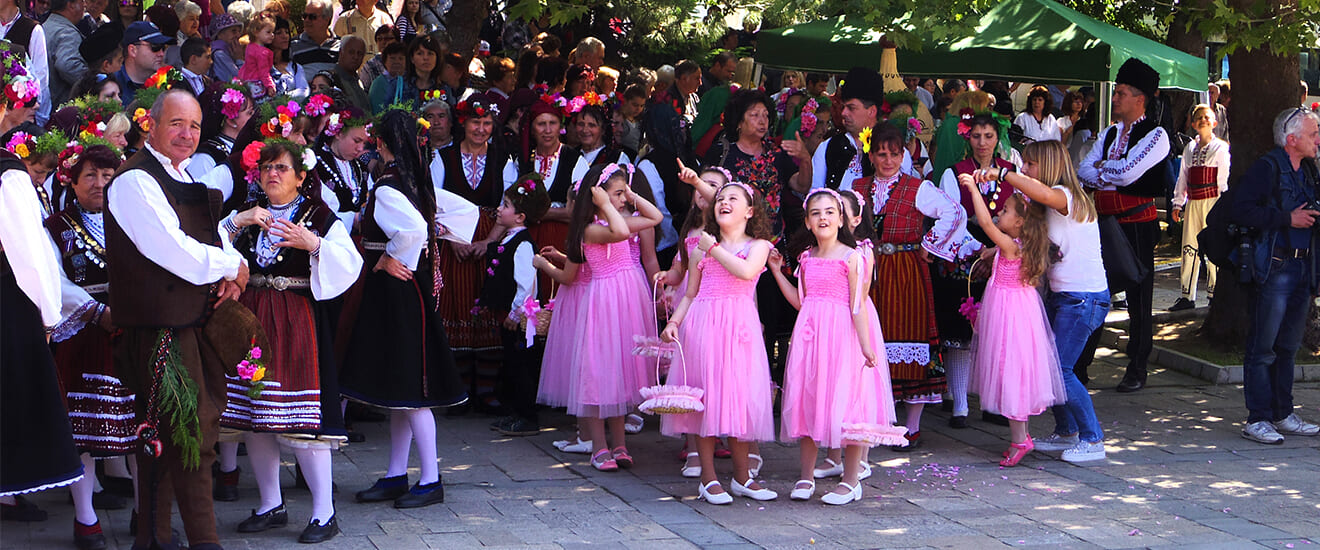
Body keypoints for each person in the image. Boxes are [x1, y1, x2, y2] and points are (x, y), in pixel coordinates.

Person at [104, 87, 250, 550]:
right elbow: (173, 252)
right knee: (192, 437)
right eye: (176, 124)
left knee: (172, 441)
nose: (187, 135)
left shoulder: (184, 177)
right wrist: (230, 266)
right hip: (159, 331)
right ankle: (204, 543)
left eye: (194, 126)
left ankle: (152, 541)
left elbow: (215, 239)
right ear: (151, 125)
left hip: (192, 323)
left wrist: (234, 271)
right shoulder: (134, 181)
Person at [219, 139, 361, 543]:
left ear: (301, 175)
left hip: (295, 318)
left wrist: (313, 244)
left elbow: (350, 262)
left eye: (281, 167)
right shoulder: (250, 214)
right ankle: (270, 504)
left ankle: (323, 512)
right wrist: (238, 221)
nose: (272, 174)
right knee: (255, 417)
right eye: (265, 167)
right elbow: (210, 246)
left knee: (301, 420)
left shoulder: (317, 213)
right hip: (250, 317)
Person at [341, 110, 466, 509]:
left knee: (412, 390)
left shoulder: (389, 186)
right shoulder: (414, 182)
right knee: (400, 390)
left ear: (381, 144)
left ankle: (431, 479)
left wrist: (391, 259)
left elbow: (411, 231)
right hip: (401, 291)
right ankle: (397, 473)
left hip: (397, 291)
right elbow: (444, 221)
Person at [977, 140, 1110, 463]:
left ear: (1048, 166)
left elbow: (1044, 194)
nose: (1025, 170)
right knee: (1048, 366)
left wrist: (1003, 173)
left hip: (1083, 299)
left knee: (1060, 369)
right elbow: (1030, 240)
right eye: (1023, 166)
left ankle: (1093, 438)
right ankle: (1066, 431)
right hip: (1065, 296)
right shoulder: (1047, 206)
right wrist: (997, 251)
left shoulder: (1065, 196)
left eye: (1030, 165)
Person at [769, 188, 904, 505]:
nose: (823, 217)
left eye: (830, 211)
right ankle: (806, 475)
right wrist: (776, 271)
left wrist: (866, 346)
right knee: (809, 398)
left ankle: (851, 480)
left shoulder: (852, 256)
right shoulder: (807, 258)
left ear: (841, 218)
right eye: (816, 213)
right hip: (811, 336)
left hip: (843, 336)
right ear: (808, 221)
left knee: (850, 403)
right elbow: (801, 301)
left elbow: (857, 305)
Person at [852, 123, 980, 450]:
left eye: (894, 153)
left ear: (904, 154)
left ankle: (911, 426)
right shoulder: (857, 186)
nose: (888, 160)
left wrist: (930, 244)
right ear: (871, 153)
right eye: (881, 153)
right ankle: (879, 419)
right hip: (868, 273)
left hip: (906, 273)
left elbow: (953, 212)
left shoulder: (916, 187)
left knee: (909, 342)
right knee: (869, 343)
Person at [660, 181, 777, 504]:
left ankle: (742, 477)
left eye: (733, 199)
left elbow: (746, 271)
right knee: (706, 400)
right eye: (720, 198)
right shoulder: (700, 246)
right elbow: (692, 293)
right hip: (704, 324)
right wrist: (673, 322)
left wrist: (713, 249)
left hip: (739, 326)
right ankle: (709, 479)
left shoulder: (759, 246)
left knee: (739, 399)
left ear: (749, 211)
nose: (724, 202)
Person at [45, 142, 137, 550]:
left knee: (138, 425)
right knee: (81, 429)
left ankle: (145, 512)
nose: (100, 183)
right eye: (90, 176)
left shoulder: (133, 218)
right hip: (82, 332)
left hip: (133, 328)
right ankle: (86, 520)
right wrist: (95, 311)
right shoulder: (56, 227)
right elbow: (53, 280)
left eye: (107, 175)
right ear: (73, 181)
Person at [549, 164, 661, 470]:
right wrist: (602, 203)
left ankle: (620, 444)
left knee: (620, 372)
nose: (623, 200)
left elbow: (656, 217)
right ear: (597, 196)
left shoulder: (623, 216)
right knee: (600, 373)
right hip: (603, 302)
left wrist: (633, 195)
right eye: (618, 194)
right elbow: (621, 232)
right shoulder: (590, 229)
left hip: (627, 300)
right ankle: (599, 447)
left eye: (624, 193)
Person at [1077, 58, 1171, 393]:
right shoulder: (1111, 132)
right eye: (1116, 92)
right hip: (1103, 223)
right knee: (1093, 290)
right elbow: (1083, 169)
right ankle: (1081, 363)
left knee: (1138, 296)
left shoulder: (1157, 135)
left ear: (1139, 98)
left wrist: (1106, 170)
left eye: (1121, 93)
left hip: (1137, 226)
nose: (1114, 98)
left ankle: (1138, 365)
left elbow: (1130, 172)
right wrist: (1108, 169)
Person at [958, 178, 1066, 467]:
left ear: (1019, 222)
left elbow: (985, 224)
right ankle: (1021, 435)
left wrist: (972, 189)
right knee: (1012, 370)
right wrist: (993, 252)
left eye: (1005, 210)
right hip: (1018, 309)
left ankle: (1021, 439)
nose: (999, 214)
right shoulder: (1020, 245)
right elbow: (1004, 244)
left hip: (1009, 314)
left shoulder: (1009, 245)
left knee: (1009, 370)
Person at [1228, 107, 1320, 445]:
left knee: (1289, 345)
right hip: (1276, 265)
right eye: (1313, 134)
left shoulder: (1309, 170)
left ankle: (1283, 413)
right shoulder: (1267, 168)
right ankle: (1258, 418)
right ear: (1292, 139)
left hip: (1301, 265)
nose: (1318, 140)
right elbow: (1241, 210)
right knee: (1263, 346)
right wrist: (1286, 219)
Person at [931, 111, 1016, 428]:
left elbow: (1020, 217)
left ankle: (993, 402)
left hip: (1002, 257)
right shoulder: (955, 173)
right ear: (967, 137)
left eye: (989, 136)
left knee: (994, 332)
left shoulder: (1010, 172)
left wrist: (993, 255)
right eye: (977, 136)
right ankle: (961, 406)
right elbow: (950, 221)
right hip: (963, 255)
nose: (982, 142)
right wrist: (977, 253)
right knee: (960, 332)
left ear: (998, 138)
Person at [480, 174, 550, 436]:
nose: (499, 209)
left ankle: (528, 416)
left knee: (522, 366)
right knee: (511, 363)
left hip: (522, 320)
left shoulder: (522, 245)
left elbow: (526, 283)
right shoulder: (509, 239)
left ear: (520, 217)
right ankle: (515, 412)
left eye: (506, 205)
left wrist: (515, 312)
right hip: (509, 318)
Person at [1168, 105, 1229, 312]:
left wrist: (1223, 206)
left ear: (1214, 123)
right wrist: (1178, 203)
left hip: (1212, 201)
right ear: (1193, 124)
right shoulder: (1189, 149)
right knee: (1190, 247)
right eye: (1199, 118)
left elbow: (1223, 179)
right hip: (1193, 202)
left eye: (1207, 117)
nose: (1203, 120)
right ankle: (1187, 295)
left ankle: (1215, 293)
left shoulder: (1220, 148)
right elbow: (1182, 177)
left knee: (1214, 246)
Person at [810, 67, 882, 192]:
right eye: (844, 107)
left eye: (851, 108)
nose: (843, 113)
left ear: (872, 111)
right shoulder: (827, 147)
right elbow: (815, 194)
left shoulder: (893, 149)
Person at [114, 21, 171, 106]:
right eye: (155, 47)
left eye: (163, 48)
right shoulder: (111, 85)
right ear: (133, 50)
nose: (161, 54)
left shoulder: (169, 83)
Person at [46, 0, 88, 108]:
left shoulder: (45, 26)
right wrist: (91, 81)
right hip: (58, 106)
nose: (85, 5)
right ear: (71, 5)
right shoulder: (68, 33)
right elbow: (67, 65)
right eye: (82, 1)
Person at [291, 0, 339, 77]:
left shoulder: (341, 46)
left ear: (326, 19)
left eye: (312, 17)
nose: (306, 20)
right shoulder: (293, 45)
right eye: (304, 16)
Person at [238, 13, 277, 100]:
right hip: (257, 83)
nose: (272, 35)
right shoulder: (262, 52)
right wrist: (270, 85)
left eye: (272, 32)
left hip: (246, 80)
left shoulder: (250, 46)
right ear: (256, 32)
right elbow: (264, 72)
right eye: (268, 32)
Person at [271, 17, 309, 98]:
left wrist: (283, 99)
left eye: (287, 32)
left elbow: (304, 90)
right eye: (278, 33)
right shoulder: (259, 67)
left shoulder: (295, 67)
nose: (285, 36)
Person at [332, 35, 369, 111]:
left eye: (360, 53)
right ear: (340, 53)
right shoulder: (331, 80)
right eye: (351, 52)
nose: (355, 57)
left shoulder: (359, 83)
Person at [208, 13, 242, 84]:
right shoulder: (219, 54)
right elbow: (239, 80)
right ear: (220, 33)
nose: (238, 35)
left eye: (239, 31)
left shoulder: (229, 49)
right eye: (234, 31)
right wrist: (239, 59)